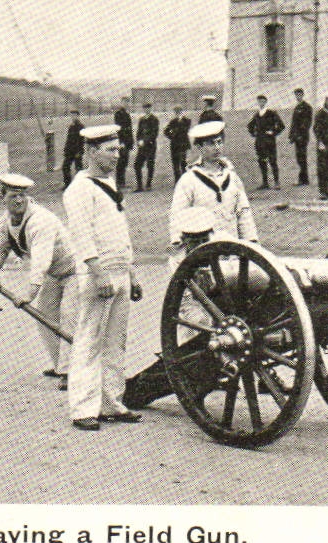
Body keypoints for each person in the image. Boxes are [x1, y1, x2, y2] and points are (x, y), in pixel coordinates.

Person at [62, 124, 143, 431]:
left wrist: (131, 274)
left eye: (119, 150)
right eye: (110, 150)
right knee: (88, 340)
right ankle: (83, 408)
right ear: (91, 152)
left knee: (115, 341)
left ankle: (111, 402)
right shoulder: (79, 189)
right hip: (99, 274)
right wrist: (98, 273)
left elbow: (120, 233)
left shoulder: (109, 182)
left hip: (120, 271)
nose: (117, 156)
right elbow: (82, 236)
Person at [121, 206, 215, 410]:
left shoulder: (221, 247)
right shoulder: (177, 261)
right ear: (184, 239)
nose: (199, 244)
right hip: (194, 305)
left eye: (203, 239)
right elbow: (185, 299)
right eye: (193, 240)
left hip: (223, 303)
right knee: (201, 334)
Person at [0, 173, 75, 387]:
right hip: (53, 275)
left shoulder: (40, 220)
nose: (18, 200)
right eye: (13, 196)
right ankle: (60, 365)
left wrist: (29, 294)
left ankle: (72, 372)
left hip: (75, 271)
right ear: (3, 198)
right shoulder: (6, 220)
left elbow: (41, 261)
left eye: (22, 195)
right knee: (44, 318)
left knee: (69, 318)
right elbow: (0, 249)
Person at [169, 120, 256, 250]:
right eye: (210, 144)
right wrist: (177, 240)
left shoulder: (232, 177)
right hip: (202, 252)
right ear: (199, 147)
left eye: (219, 142)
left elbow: (243, 212)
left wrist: (251, 241)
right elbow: (178, 213)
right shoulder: (189, 180)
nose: (217, 147)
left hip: (232, 248)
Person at [247, 94, 283, 189]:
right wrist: (254, 133)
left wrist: (273, 132)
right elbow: (250, 126)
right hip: (259, 142)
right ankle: (265, 182)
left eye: (263, 101)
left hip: (269, 141)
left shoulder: (271, 113)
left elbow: (281, 125)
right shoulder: (257, 114)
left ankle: (276, 182)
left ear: (266, 102)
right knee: (262, 161)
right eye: (259, 101)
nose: (261, 103)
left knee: (272, 161)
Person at [288, 88, 314, 186]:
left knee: (302, 157)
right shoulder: (297, 107)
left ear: (302, 95)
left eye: (299, 95)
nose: (298, 97)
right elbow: (293, 123)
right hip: (297, 137)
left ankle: (304, 179)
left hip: (302, 137)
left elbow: (307, 123)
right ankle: (303, 178)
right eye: (296, 95)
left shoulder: (307, 107)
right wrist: (292, 136)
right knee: (299, 157)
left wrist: (300, 135)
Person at [132, 103, 159, 191]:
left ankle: (148, 184)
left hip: (150, 146)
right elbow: (138, 132)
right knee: (137, 165)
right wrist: (139, 141)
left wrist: (145, 141)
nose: (146, 110)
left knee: (150, 165)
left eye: (148, 108)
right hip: (142, 147)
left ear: (151, 109)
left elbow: (154, 133)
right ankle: (139, 186)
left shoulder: (154, 119)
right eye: (145, 108)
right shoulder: (141, 119)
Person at [164, 106, 192, 182]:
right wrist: (172, 137)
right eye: (176, 112)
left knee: (183, 163)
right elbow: (166, 131)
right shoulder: (173, 121)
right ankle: (177, 181)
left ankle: (185, 180)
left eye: (179, 112)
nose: (177, 113)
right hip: (175, 145)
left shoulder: (187, 120)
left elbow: (185, 130)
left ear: (182, 112)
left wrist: (175, 131)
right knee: (175, 163)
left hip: (183, 145)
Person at [112, 103, 134, 192]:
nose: (126, 104)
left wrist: (130, 143)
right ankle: (119, 183)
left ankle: (122, 182)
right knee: (121, 162)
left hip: (127, 142)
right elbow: (119, 129)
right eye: (124, 102)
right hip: (122, 142)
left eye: (127, 102)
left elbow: (129, 129)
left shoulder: (127, 114)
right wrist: (121, 142)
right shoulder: (118, 114)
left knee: (124, 162)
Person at [61, 107, 85, 189]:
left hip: (77, 151)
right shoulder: (71, 126)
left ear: (78, 116)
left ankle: (81, 185)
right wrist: (65, 150)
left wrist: (79, 152)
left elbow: (82, 141)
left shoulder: (81, 127)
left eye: (75, 115)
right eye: (72, 116)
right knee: (65, 167)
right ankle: (67, 185)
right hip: (69, 151)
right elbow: (69, 139)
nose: (73, 117)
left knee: (79, 169)